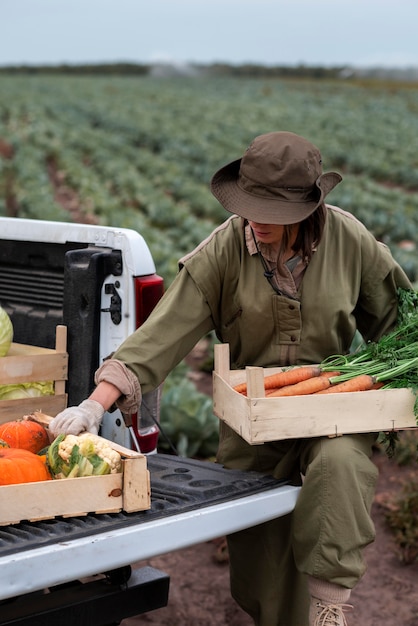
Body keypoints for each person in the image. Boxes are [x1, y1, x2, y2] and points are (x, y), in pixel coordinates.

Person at [49, 131, 411, 626]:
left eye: (274, 211)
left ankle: (330, 606)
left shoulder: (352, 243)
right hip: (251, 420)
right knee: (263, 580)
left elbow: (402, 328)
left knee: (339, 466)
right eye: (250, 206)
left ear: (308, 207)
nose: (258, 220)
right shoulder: (222, 251)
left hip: (330, 411)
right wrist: (95, 403)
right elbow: (164, 333)